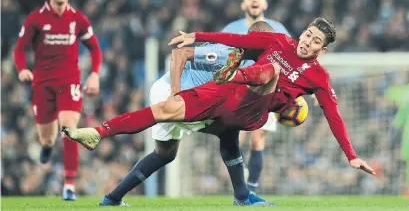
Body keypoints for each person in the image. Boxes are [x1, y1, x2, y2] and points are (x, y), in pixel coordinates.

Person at [63, 19, 375, 199]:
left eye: (315, 41)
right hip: (225, 96)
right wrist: (197, 36)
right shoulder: (277, 41)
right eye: (308, 34)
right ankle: (100, 132)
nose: (307, 41)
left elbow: (333, 115)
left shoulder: (318, 76)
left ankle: (243, 193)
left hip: (254, 108)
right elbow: (233, 38)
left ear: (323, 49)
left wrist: (350, 154)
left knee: (270, 75)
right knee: (167, 121)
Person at [97, 22, 277, 206]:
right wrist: (175, 94)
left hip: (187, 96)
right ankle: (242, 196)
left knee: (165, 154)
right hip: (174, 92)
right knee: (229, 129)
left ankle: (112, 198)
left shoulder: (260, 62)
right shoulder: (230, 52)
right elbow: (179, 54)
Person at [13, 0, 102, 201]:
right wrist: (22, 69)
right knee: (47, 138)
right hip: (42, 84)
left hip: (69, 81)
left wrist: (94, 74)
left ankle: (69, 184)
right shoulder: (36, 18)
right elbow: (20, 48)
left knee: (69, 129)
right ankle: (46, 147)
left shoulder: (78, 19)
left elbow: (95, 48)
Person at [222, 0, 290, 192]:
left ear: (265, 4)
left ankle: (250, 188)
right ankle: (241, 184)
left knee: (258, 138)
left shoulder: (277, 28)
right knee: (235, 137)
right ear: (243, 5)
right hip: (237, 89)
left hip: (266, 90)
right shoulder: (231, 29)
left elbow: (290, 58)